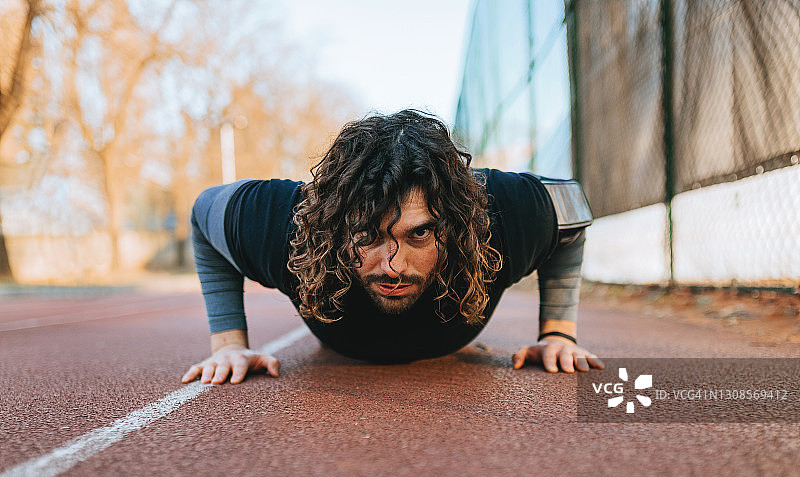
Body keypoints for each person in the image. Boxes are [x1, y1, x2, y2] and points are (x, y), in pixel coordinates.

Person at [182, 109, 603, 385]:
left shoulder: (505, 215)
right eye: (367, 234)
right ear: (333, 224)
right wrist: (229, 343)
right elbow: (203, 214)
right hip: (342, 339)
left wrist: (557, 333)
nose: (394, 266)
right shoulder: (286, 225)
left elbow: (575, 211)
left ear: (455, 223)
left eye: (418, 233)